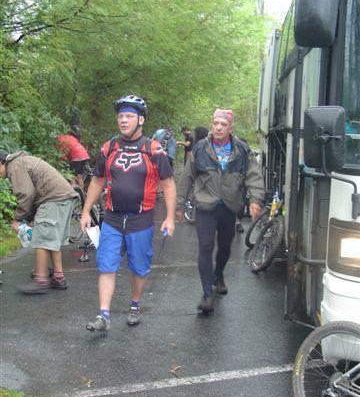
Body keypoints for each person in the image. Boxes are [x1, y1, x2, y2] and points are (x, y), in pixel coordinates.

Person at [80, 95, 176, 331]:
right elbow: (97, 180)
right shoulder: (109, 147)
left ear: (140, 120)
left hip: (141, 219)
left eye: (129, 116)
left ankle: (135, 304)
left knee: (139, 267)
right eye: (121, 116)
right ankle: (104, 315)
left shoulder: (154, 149)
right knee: (106, 265)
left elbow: (168, 184)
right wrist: (85, 211)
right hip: (112, 218)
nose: (123, 121)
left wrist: (170, 217)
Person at [176, 109, 265, 314]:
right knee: (206, 247)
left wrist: (255, 200)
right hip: (206, 206)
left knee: (225, 247)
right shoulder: (200, 148)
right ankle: (207, 294)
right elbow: (187, 177)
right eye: (215, 123)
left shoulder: (242, 150)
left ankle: (219, 275)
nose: (218, 127)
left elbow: (254, 176)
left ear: (230, 128)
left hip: (230, 207)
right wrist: (180, 204)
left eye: (223, 124)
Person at [0, 151, 78, 293]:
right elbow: (33, 193)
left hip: (53, 198)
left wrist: (18, 219)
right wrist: (29, 218)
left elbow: (26, 194)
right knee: (51, 239)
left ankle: (41, 280)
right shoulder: (21, 161)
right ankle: (58, 277)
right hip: (62, 197)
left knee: (42, 239)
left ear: (2, 162)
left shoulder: (14, 166)